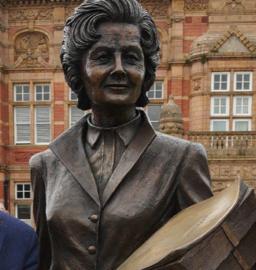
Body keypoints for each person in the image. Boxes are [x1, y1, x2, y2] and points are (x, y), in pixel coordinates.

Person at [30, 0, 212, 269]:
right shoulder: (45, 165)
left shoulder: (182, 159)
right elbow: (45, 259)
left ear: (146, 69)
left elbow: (207, 257)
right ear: (77, 69)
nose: (119, 68)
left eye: (131, 57)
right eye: (103, 57)